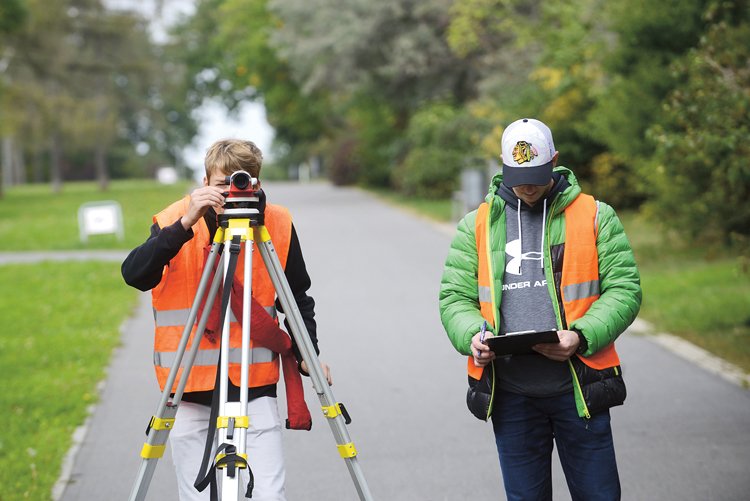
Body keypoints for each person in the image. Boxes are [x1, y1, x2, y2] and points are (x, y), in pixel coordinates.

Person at [439, 118, 641, 500]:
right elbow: (454, 298)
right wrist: (473, 337)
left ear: (555, 160)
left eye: (536, 174)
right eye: (517, 175)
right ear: (502, 163)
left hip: (579, 389)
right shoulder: (476, 225)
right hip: (511, 396)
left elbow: (625, 289)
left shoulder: (596, 215)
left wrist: (581, 336)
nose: (527, 185)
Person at [122, 139, 331, 501]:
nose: (233, 191)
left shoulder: (276, 223)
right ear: (204, 182)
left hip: (255, 383)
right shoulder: (176, 218)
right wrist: (187, 222)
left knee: (269, 494)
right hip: (189, 385)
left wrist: (307, 353)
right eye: (223, 185)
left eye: (243, 181)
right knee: (197, 496)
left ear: (258, 185)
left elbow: (296, 296)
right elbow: (135, 274)